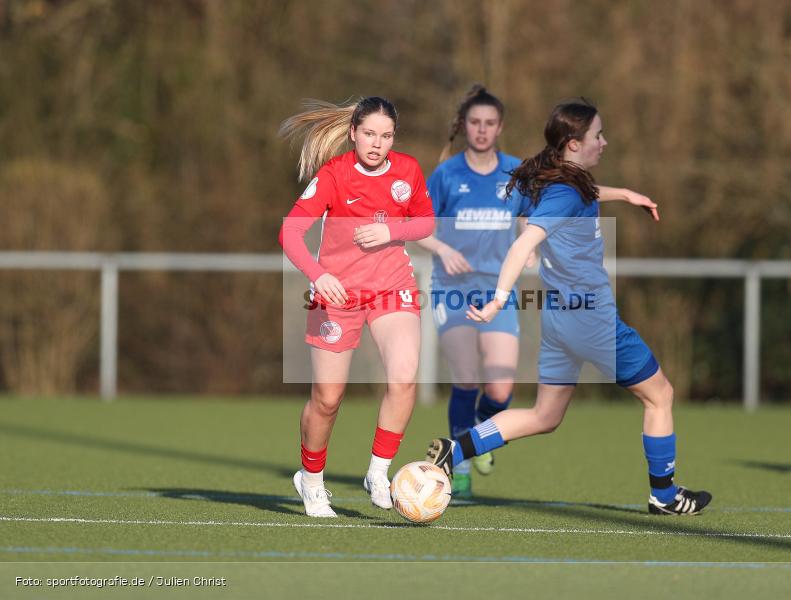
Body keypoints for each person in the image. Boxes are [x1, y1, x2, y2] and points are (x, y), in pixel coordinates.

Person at [426, 99, 712, 515]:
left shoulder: (560, 180)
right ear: (574, 144)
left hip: (560, 320)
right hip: (591, 320)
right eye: (598, 135)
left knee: (544, 417)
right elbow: (526, 240)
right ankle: (664, 495)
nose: (605, 142)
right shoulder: (563, 191)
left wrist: (626, 194)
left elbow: (586, 193)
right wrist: (498, 301)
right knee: (661, 396)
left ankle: (456, 450)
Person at [279, 97, 435, 517]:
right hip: (338, 295)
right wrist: (318, 275)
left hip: (392, 287)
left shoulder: (407, 171)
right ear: (353, 133)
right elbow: (291, 232)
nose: (377, 143)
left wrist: (390, 230)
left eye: (385, 136)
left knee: (404, 378)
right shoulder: (333, 175)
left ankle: (378, 472)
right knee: (328, 399)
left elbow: (426, 222)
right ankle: (311, 480)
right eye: (369, 133)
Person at [417, 85, 532, 498]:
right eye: (474, 122)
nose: (481, 130)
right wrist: (443, 248)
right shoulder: (446, 175)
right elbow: (419, 227)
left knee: (500, 390)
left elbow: (528, 220)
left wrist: (530, 248)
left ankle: (482, 437)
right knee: (466, 379)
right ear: (463, 126)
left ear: (500, 128)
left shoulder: (517, 172)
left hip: (498, 291)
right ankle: (458, 464)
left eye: (489, 123)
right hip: (453, 290)